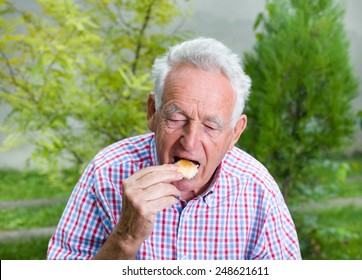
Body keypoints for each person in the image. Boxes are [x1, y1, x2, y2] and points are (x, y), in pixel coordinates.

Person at [47, 37, 301, 260]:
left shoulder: (256, 189)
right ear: (152, 113)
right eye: (176, 119)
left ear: (235, 132)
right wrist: (125, 237)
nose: (190, 142)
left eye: (211, 126)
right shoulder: (106, 172)